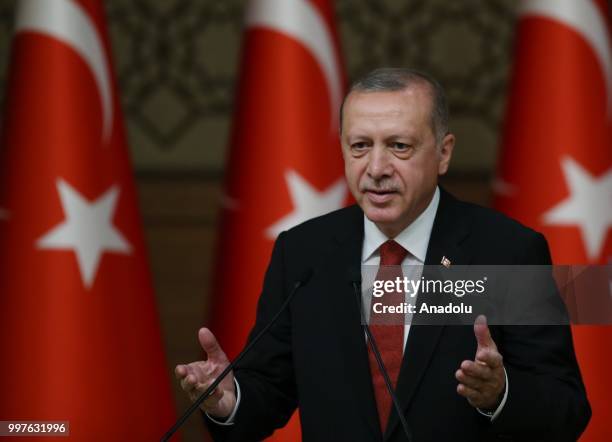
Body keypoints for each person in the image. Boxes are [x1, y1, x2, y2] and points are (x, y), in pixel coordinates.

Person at [175, 68, 590, 441]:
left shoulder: (507, 252)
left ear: (443, 153)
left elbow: (568, 410)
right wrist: (229, 400)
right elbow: (270, 390)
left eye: (399, 146)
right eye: (359, 146)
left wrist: (501, 394)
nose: (376, 167)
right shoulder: (303, 253)